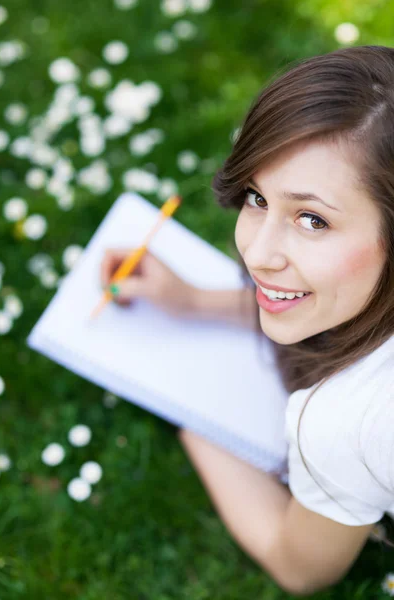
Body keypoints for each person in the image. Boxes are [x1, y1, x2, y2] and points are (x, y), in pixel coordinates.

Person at [100, 45, 394, 596]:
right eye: (257, 197)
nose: (257, 253)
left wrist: (197, 421)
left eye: (312, 219)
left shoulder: (347, 420)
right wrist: (192, 301)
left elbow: (300, 567)